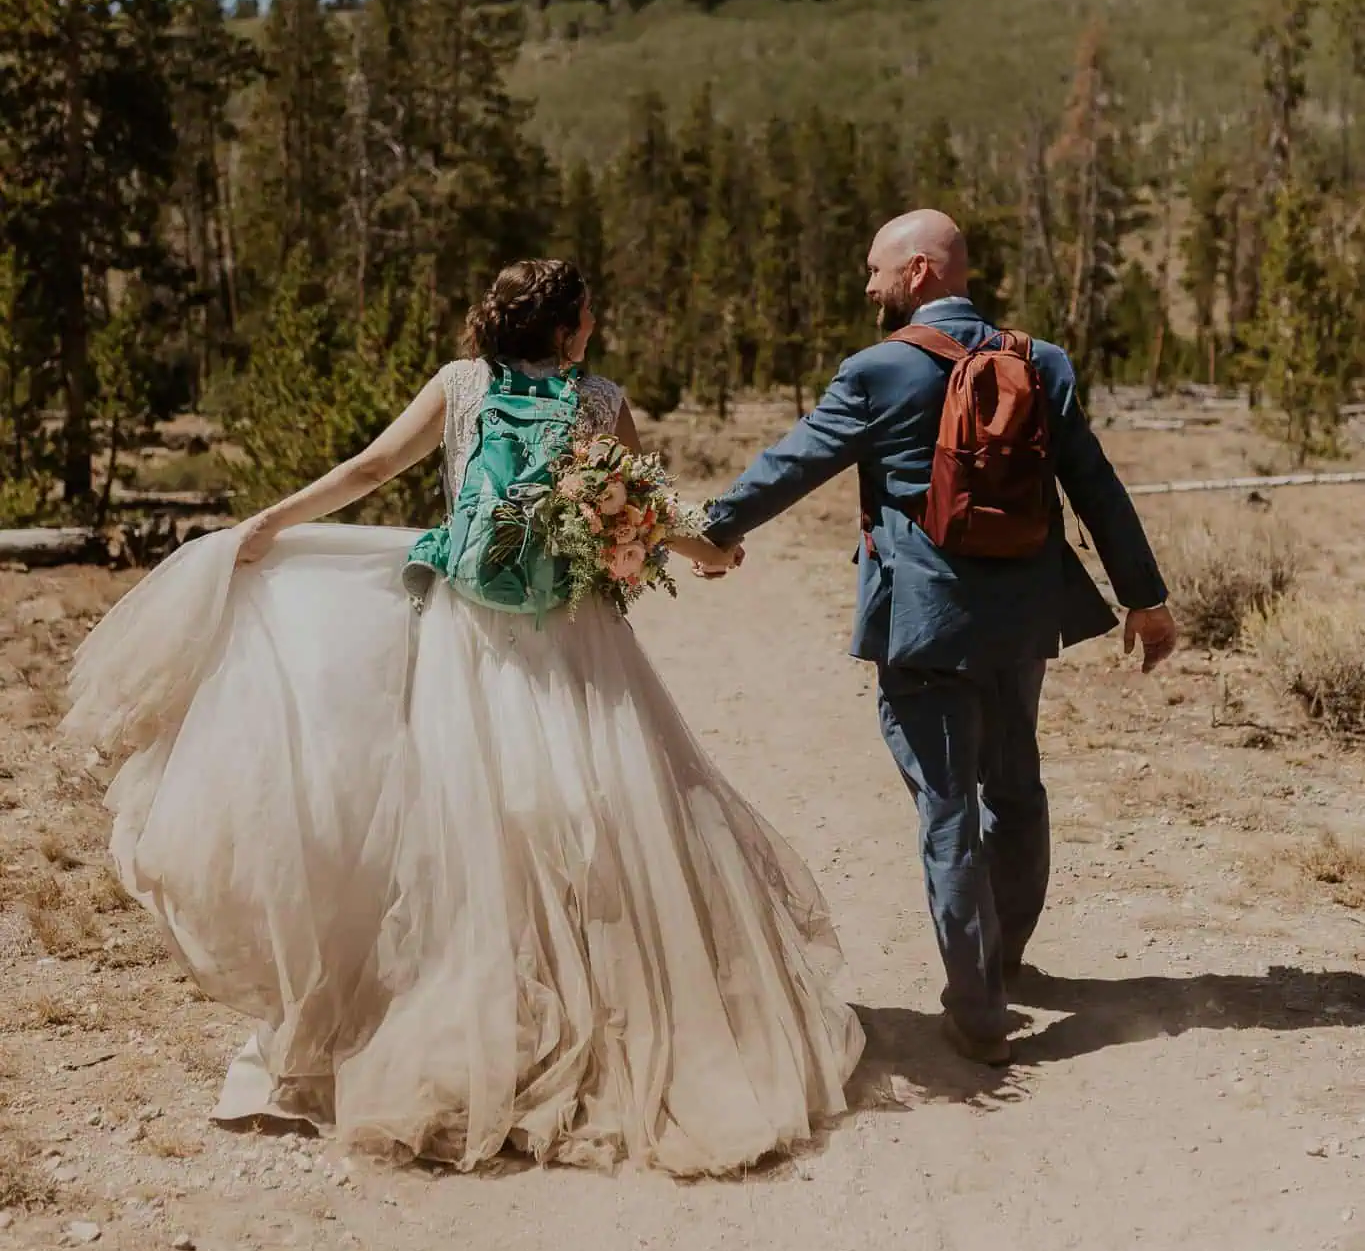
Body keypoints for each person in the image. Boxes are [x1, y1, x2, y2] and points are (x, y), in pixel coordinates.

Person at [67, 259, 863, 1175]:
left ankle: (472, 1010)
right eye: (586, 315)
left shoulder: (460, 387)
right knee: (596, 814)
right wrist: (712, 550)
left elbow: (372, 467)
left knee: (465, 823)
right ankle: (605, 1009)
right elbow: (644, 509)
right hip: (576, 640)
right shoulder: (600, 401)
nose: (592, 326)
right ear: (564, 328)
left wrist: (268, 527)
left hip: (473, 632)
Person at [702, 210, 1176, 1069]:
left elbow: (791, 464)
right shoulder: (1042, 362)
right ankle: (1005, 956)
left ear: (919, 271)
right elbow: (1096, 486)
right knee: (1015, 786)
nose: (868, 287)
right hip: (1023, 618)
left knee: (946, 806)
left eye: (875, 270)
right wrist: (1144, 599)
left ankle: (980, 1011)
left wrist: (712, 531)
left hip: (923, 624)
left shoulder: (877, 370)